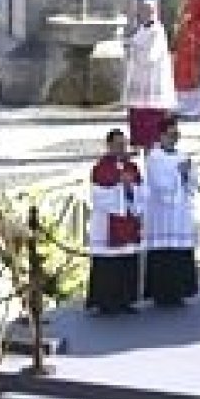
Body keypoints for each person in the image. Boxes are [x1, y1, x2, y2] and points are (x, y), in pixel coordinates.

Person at [87, 129, 144, 315]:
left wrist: (129, 188)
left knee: (127, 260)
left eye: (123, 144)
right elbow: (98, 196)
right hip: (108, 224)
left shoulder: (132, 167)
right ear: (109, 145)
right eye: (118, 144)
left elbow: (142, 192)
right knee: (109, 263)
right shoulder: (101, 168)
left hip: (128, 220)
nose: (121, 148)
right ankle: (106, 302)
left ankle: (126, 300)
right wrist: (120, 186)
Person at [143, 117, 198, 306]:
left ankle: (180, 291)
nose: (175, 138)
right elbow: (159, 184)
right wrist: (178, 173)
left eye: (177, 134)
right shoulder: (154, 157)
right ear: (161, 135)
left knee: (179, 251)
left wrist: (187, 173)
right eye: (171, 134)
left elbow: (191, 185)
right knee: (164, 253)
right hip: (162, 214)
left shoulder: (183, 155)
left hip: (180, 213)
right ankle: (162, 293)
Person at [124, 0, 176, 150]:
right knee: (138, 110)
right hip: (140, 77)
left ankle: (153, 142)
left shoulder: (157, 31)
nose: (142, 14)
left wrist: (135, 50)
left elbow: (151, 56)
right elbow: (134, 43)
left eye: (145, 11)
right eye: (141, 11)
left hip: (153, 78)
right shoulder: (142, 28)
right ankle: (139, 142)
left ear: (152, 12)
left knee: (151, 112)